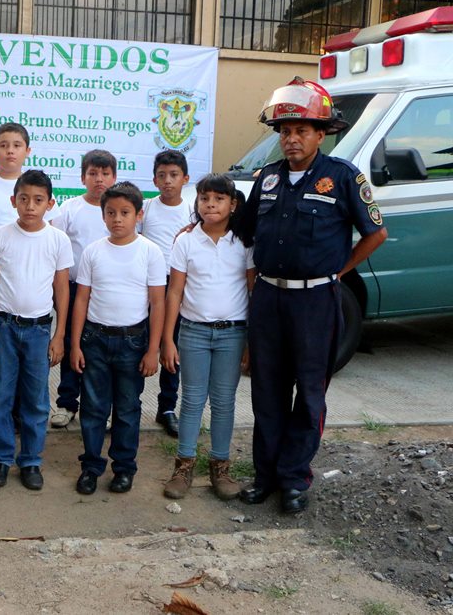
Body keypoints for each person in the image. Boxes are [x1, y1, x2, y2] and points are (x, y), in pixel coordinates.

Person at [239, 77, 387, 514]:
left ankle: (294, 480)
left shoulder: (342, 177)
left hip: (316, 303)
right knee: (266, 390)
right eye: (285, 131)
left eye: (302, 130)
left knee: (309, 393)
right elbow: (243, 231)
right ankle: (264, 476)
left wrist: (337, 270)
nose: (292, 139)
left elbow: (375, 233)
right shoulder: (265, 179)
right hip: (268, 299)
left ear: (322, 134)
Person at [161, 174, 254, 500]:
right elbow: (174, 293)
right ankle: (184, 466)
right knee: (191, 400)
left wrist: (250, 343)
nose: (210, 204)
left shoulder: (244, 242)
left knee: (224, 402)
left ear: (233, 204)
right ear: (196, 203)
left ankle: (220, 467)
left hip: (232, 334)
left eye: (218, 198)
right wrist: (167, 340)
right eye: (204, 198)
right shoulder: (186, 241)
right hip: (194, 332)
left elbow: (252, 290)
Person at [72, 182, 165, 495]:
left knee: (127, 409)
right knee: (94, 408)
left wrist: (154, 349)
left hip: (133, 342)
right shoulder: (93, 251)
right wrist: (74, 345)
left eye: (125, 212)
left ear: (138, 215)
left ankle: (124, 468)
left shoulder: (150, 252)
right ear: (102, 215)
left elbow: (158, 302)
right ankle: (90, 467)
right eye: (110, 212)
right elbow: (81, 299)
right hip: (95, 339)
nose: (117, 219)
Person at [0, 170, 71, 491]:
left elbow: (62, 289)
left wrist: (59, 335)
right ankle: (1, 458)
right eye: (23, 199)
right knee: (0, 397)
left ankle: (31, 460)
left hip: (38, 331)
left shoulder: (57, 240)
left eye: (38, 200)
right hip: (3, 326)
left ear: (50, 203)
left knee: (35, 399)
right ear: (13, 201)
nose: (30, 206)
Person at [0, 122, 57, 432]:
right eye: (4, 145)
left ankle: (19, 412)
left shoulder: (33, 186)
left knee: (23, 362)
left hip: (27, 268)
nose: (10, 150)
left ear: (27, 151)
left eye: (17, 145)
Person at [50, 149, 117, 428]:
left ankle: (103, 408)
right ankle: (67, 403)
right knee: (70, 344)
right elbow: (56, 250)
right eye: (92, 173)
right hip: (74, 289)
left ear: (114, 177)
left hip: (108, 293)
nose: (99, 179)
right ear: (82, 177)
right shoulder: (70, 209)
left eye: (104, 173)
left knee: (102, 351)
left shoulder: (117, 210)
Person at [137, 150, 191, 438]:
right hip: (148, 285)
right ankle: (130, 402)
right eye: (162, 176)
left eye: (173, 175)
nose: (168, 181)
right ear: (154, 179)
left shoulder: (193, 211)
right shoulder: (146, 208)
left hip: (178, 286)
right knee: (141, 343)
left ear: (185, 178)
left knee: (172, 347)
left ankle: (167, 407)